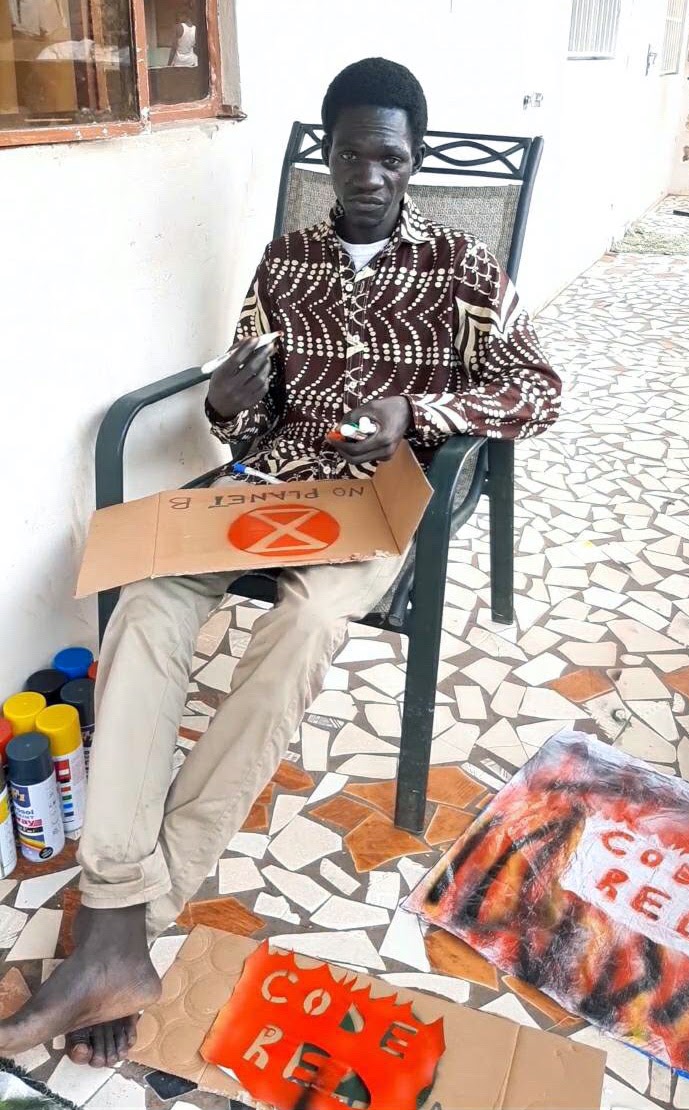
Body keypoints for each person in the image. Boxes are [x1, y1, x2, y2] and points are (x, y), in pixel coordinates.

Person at [0, 57, 561, 1066]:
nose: (370, 176)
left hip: (379, 499)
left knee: (301, 626)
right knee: (151, 598)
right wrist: (226, 402)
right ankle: (120, 922)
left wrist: (418, 413)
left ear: (414, 159)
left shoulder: (463, 271)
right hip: (272, 480)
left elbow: (540, 391)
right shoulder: (285, 260)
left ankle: (123, 921)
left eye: (390, 158)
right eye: (352, 155)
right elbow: (251, 407)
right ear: (330, 154)